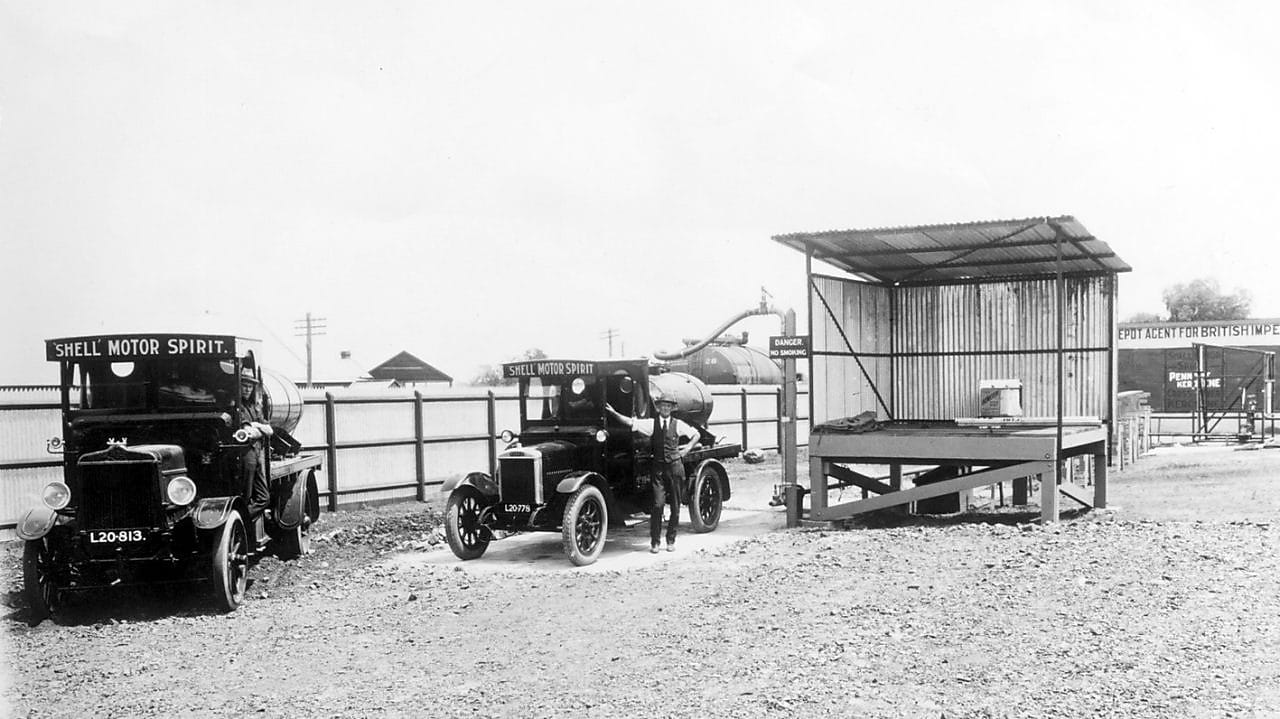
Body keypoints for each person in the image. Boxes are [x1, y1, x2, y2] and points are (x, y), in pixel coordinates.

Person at [605, 393, 700, 553]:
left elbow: (696, 434)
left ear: (671, 408)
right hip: (658, 470)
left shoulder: (678, 424)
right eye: (662, 405)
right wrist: (614, 413)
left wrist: (687, 448)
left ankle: (671, 540)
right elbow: (631, 422)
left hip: (675, 468)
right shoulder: (651, 424)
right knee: (657, 505)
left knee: (676, 507)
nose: (665, 408)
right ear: (658, 407)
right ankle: (655, 542)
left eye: (668, 406)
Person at [237, 368, 273, 516]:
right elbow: (248, 432)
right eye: (244, 385)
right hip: (246, 456)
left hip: (257, 455)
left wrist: (256, 426)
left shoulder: (253, 407)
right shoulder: (237, 407)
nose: (247, 389)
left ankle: (243, 518)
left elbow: (269, 430)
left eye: (250, 386)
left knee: (264, 498)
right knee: (246, 496)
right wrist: (258, 428)